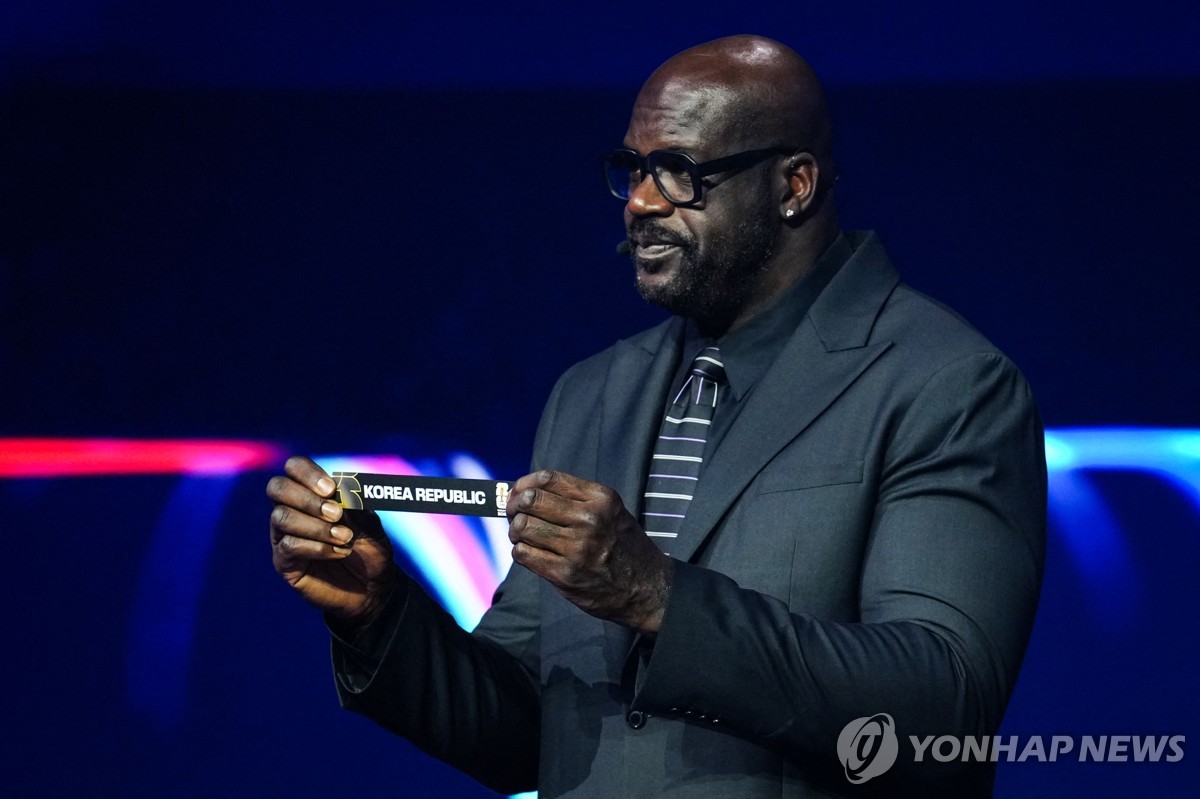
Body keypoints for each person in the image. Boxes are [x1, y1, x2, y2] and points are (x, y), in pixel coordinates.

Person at [268, 35, 1046, 798]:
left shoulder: (944, 382)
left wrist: (658, 596)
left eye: (679, 171)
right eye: (634, 169)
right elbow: (530, 729)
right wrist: (381, 614)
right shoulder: (592, 393)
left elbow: (945, 710)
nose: (641, 202)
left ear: (794, 185)